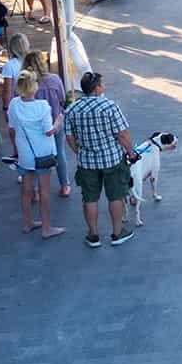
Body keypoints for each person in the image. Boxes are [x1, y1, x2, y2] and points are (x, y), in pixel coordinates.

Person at [64, 71, 139, 248]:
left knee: (89, 198)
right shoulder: (109, 107)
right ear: (97, 88)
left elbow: (69, 137)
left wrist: (79, 151)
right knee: (115, 196)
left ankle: (93, 235)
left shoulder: (72, 109)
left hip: (86, 162)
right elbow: (122, 134)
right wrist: (130, 152)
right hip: (111, 159)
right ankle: (117, 232)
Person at [7, 72, 66, 240]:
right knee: (44, 191)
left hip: (25, 154)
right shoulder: (43, 106)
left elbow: (12, 128)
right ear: (34, 87)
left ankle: (28, 222)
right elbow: (49, 131)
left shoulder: (14, 104)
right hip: (43, 154)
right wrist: (59, 120)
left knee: (26, 190)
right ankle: (47, 228)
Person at [27, 50, 73, 197]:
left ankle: (35, 190)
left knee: (34, 155)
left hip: (34, 126)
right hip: (55, 122)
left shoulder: (26, 84)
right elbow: (63, 100)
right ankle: (65, 185)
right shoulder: (55, 79)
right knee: (59, 153)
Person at [0, 31, 29, 159]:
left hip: (16, 104)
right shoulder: (31, 61)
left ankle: (18, 156)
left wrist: (5, 107)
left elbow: (7, 90)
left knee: (15, 132)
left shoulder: (10, 66)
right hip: (31, 100)